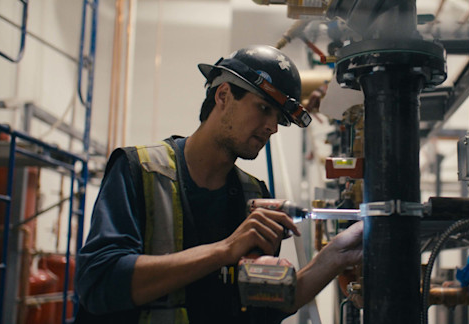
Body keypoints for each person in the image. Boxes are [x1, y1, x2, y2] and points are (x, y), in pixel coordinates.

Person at [74, 45, 364, 324]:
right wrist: (225, 249)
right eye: (263, 108)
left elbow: (262, 306)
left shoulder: (254, 197)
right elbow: (99, 284)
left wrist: (335, 256)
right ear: (223, 95)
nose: (272, 127)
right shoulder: (141, 170)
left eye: (278, 119)